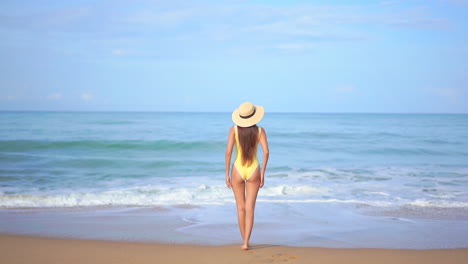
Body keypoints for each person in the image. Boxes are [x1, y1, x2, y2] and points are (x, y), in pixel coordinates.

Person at [225, 101, 269, 250]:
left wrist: (227, 174)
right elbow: (266, 152)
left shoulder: (234, 130)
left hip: (237, 169)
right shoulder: (260, 131)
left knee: (240, 208)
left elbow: (229, 152)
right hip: (253, 169)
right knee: (250, 208)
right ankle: (245, 242)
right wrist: (263, 173)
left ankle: (244, 241)